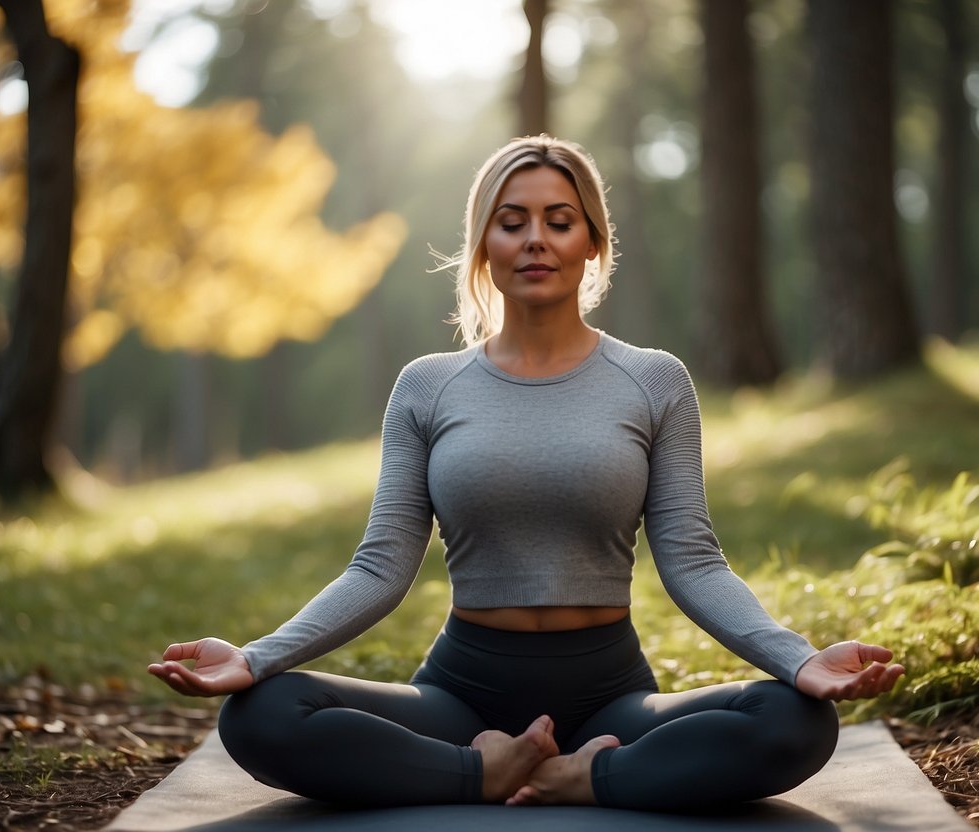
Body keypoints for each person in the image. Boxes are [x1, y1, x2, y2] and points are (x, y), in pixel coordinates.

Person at [148, 135, 905, 811]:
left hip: (610, 694)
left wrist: (798, 660)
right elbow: (380, 567)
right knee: (259, 715)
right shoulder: (427, 385)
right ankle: (475, 773)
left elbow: (693, 561)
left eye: (558, 219)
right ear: (483, 244)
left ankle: (578, 776)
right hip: (461, 693)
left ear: (592, 243)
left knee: (794, 722)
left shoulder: (654, 380)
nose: (534, 239)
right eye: (511, 222)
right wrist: (253, 659)